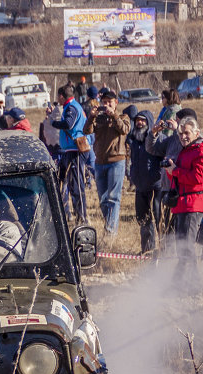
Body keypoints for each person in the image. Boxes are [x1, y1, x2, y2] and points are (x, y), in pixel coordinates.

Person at [84, 88, 130, 237]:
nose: (106, 105)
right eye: (104, 103)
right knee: (103, 200)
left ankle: (110, 232)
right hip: (99, 162)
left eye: (109, 102)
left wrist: (114, 115)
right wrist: (91, 117)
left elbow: (124, 130)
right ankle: (109, 225)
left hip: (117, 161)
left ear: (116, 103)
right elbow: (86, 131)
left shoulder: (123, 116)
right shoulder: (99, 118)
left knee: (113, 198)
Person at [147, 109, 195, 237]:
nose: (175, 123)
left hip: (183, 190)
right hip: (167, 186)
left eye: (178, 121)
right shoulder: (172, 139)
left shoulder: (193, 141)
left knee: (180, 230)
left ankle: (176, 253)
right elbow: (152, 149)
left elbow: (187, 147)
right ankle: (166, 252)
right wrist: (153, 133)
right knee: (164, 225)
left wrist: (177, 130)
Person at [168, 116, 203, 285]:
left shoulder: (200, 150)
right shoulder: (186, 150)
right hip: (181, 204)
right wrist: (170, 170)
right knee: (181, 246)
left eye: (187, 133)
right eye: (181, 133)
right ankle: (186, 284)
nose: (183, 136)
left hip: (193, 204)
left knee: (187, 246)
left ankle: (188, 285)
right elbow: (180, 177)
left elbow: (198, 178)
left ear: (197, 132)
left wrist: (175, 171)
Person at [51, 84, 89, 225]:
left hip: (75, 150)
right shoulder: (72, 106)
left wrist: (54, 123)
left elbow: (68, 124)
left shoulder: (72, 107)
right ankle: (78, 215)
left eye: (58, 97)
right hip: (70, 149)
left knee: (77, 185)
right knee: (71, 184)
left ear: (62, 96)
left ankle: (82, 217)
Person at [127, 110, 160, 254]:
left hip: (156, 184)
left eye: (143, 120)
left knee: (159, 219)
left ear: (149, 122)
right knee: (143, 218)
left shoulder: (157, 138)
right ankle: (147, 250)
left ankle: (165, 249)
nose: (139, 123)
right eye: (137, 120)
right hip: (140, 185)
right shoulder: (134, 139)